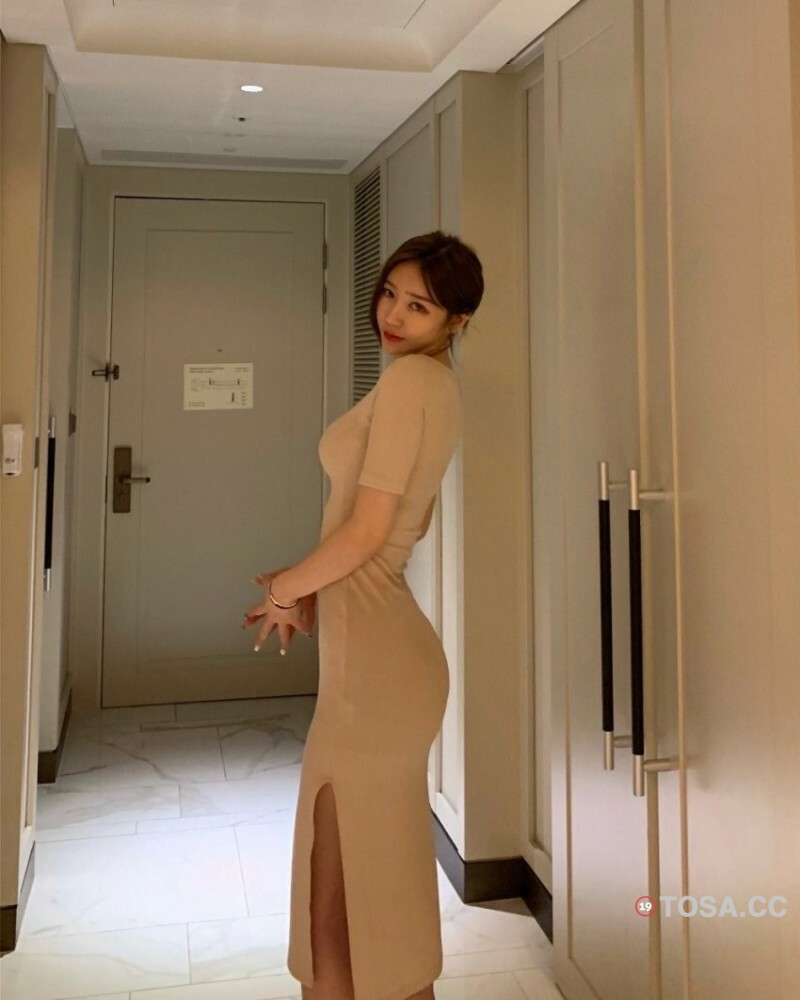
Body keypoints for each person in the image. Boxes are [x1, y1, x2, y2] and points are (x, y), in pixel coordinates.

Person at [242, 231, 484, 1000]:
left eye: (420, 306)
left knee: (345, 911)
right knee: (364, 900)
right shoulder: (432, 385)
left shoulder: (414, 384)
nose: (395, 316)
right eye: (390, 295)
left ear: (456, 321)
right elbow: (398, 527)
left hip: (376, 677)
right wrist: (318, 582)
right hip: (379, 661)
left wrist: (287, 590)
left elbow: (372, 532)